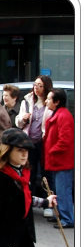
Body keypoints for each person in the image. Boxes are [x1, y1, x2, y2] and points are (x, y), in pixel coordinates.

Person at [15, 75, 53, 196]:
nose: (36, 88)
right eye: (35, 85)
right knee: (28, 171)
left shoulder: (49, 103)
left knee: (45, 173)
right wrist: (23, 118)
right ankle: (28, 197)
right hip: (28, 141)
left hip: (43, 142)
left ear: (46, 87)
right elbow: (18, 122)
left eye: (40, 86)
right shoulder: (27, 101)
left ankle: (47, 200)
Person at [43, 88, 74, 229]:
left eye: (49, 99)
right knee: (58, 191)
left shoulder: (64, 116)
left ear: (57, 102)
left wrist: (51, 150)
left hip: (61, 161)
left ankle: (67, 218)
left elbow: (65, 140)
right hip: (57, 161)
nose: (46, 101)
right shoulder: (59, 114)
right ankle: (62, 216)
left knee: (63, 191)